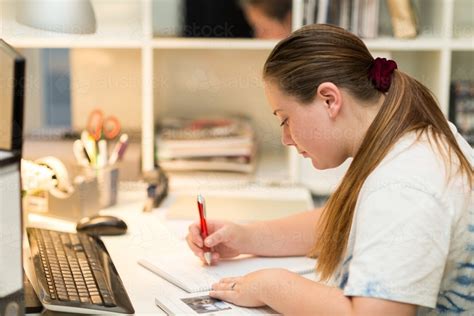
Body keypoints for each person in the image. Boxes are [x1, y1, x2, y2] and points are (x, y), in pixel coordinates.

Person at [186, 24, 473, 315]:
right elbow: (349, 224)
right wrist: (247, 237)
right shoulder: (415, 138)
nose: (285, 138)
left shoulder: (403, 185)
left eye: (285, 119)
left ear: (329, 99)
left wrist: (272, 286)